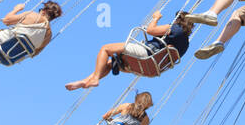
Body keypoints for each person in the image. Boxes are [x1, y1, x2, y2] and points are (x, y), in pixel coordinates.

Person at [64, 11, 194, 90]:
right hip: (153, 69)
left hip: (147, 54)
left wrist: (155, 18)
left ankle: (95, 79)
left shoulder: (174, 28)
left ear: (179, 20)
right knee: (109, 64)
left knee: (106, 49)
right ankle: (86, 81)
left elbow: (150, 30)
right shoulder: (186, 44)